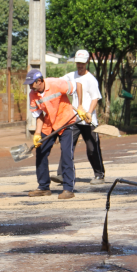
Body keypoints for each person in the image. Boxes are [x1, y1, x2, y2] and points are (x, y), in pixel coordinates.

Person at [25, 69, 91, 199]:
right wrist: (37, 134)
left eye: (31, 84)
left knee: (66, 154)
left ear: (39, 81)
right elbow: (39, 116)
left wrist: (80, 106)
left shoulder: (55, 83)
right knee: (41, 151)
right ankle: (43, 187)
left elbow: (78, 85)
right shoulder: (33, 94)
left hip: (66, 121)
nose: (30, 87)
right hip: (49, 124)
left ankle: (68, 189)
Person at [51, 49, 105, 186]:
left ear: (87, 62)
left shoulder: (91, 79)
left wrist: (89, 112)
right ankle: (63, 174)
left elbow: (95, 98)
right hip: (74, 118)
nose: (79, 65)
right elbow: (58, 83)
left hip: (88, 119)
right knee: (67, 146)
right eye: (77, 63)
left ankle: (99, 175)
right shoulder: (71, 76)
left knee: (93, 148)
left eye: (82, 63)